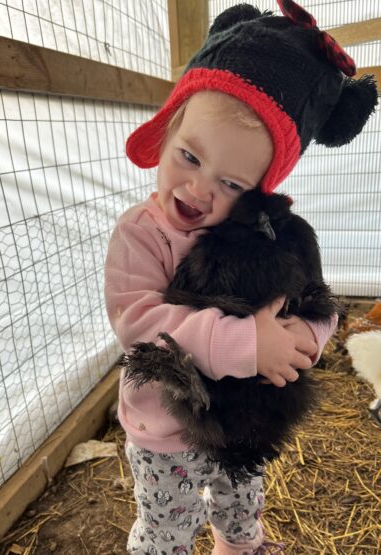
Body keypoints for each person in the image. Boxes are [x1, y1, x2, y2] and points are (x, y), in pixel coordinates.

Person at [104, 2, 378, 553]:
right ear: (168, 128)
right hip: (167, 427)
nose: (200, 190)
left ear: (261, 188)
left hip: (246, 418)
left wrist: (301, 341)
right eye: (188, 156)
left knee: (242, 492)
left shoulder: (270, 232)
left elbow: (312, 300)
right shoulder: (141, 233)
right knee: (169, 523)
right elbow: (139, 322)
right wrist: (245, 343)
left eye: (231, 183)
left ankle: (239, 544)